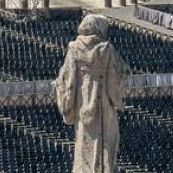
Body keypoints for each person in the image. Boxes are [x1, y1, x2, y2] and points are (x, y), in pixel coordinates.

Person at [54, 14, 129, 173]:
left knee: (84, 144)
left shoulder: (74, 49)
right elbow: (117, 76)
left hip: (83, 104)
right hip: (104, 106)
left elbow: (67, 80)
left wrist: (67, 105)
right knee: (106, 143)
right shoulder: (107, 49)